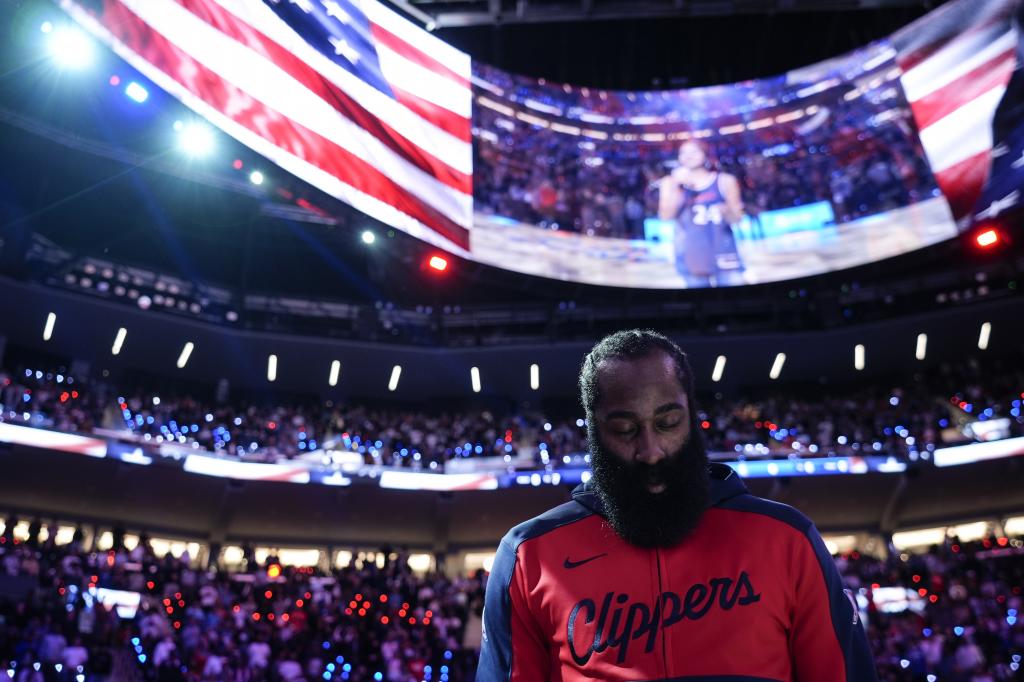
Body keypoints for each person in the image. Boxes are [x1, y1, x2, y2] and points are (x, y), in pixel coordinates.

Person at [477, 329, 877, 681]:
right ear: (594, 430)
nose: (651, 451)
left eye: (668, 423)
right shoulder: (529, 557)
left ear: (692, 414)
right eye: (624, 430)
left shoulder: (789, 541)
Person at [658, 141, 747, 287]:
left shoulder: (724, 180)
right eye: (683, 153)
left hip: (724, 252)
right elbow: (666, 216)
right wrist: (677, 185)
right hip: (691, 255)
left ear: (705, 155)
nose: (688, 156)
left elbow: (737, 219)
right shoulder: (670, 182)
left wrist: (726, 211)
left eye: (694, 152)